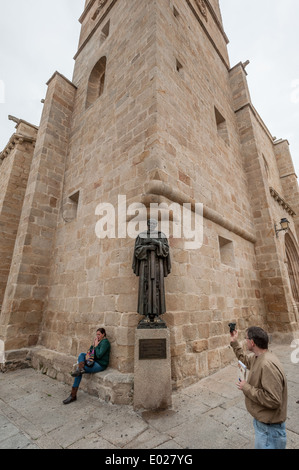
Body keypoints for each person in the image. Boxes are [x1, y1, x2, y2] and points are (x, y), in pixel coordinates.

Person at [230, 326, 288, 449]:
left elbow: (274, 400)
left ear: (252, 342)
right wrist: (234, 342)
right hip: (264, 425)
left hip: (270, 430)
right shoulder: (258, 357)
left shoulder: (267, 364)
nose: (245, 342)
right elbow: (244, 360)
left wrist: (246, 387)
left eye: (246, 339)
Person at [63, 328, 111, 405]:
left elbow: (98, 355)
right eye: (96, 334)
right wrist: (93, 345)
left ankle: (73, 395)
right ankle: (81, 369)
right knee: (81, 354)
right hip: (93, 361)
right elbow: (89, 352)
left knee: (78, 372)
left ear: (103, 334)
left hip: (100, 364)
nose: (97, 336)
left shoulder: (105, 343)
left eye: (99, 334)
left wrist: (95, 346)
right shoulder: (97, 341)